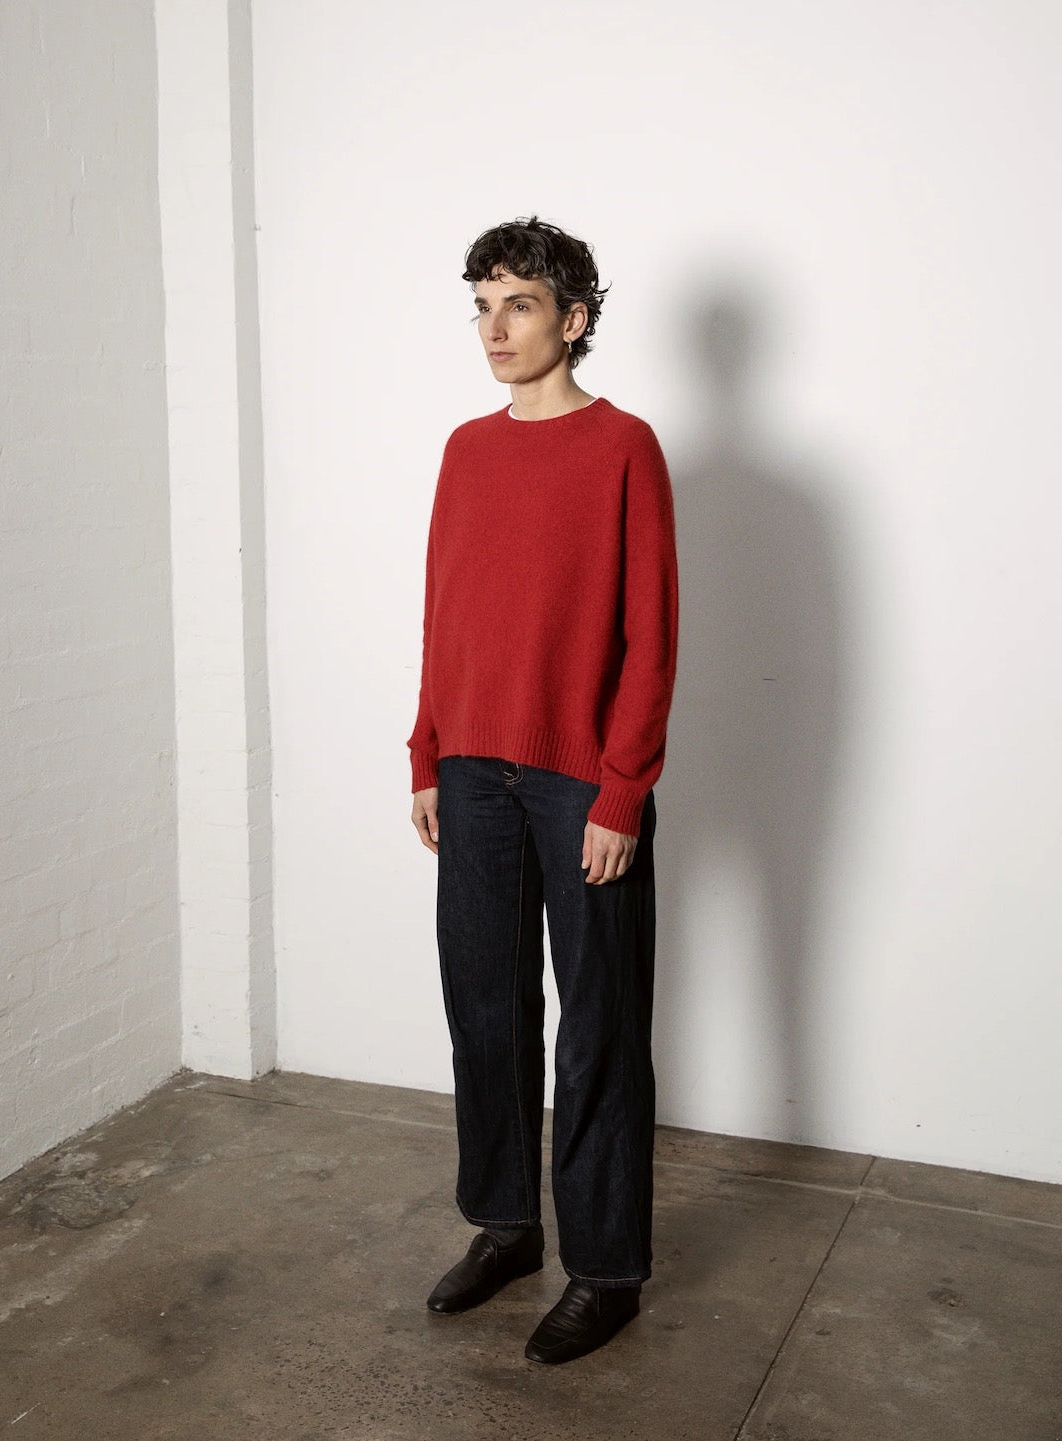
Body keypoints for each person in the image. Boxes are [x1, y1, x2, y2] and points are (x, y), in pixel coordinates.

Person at [407, 216, 679, 1365]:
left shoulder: (626, 448)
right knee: (485, 1006)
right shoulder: (467, 449)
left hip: (580, 779)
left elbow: (652, 634)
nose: (493, 330)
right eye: (480, 305)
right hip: (470, 769)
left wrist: (623, 789)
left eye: (516, 304)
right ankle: (508, 1226)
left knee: (600, 1026)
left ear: (574, 318)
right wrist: (427, 751)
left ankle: (606, 1269)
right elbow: (447, 609)